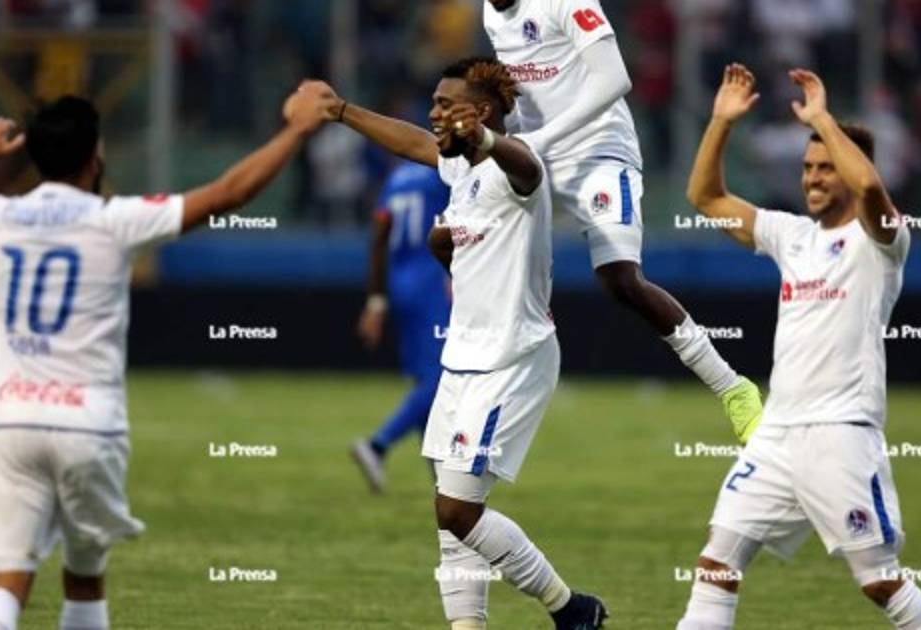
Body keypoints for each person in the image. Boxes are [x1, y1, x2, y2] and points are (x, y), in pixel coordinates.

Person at [0, 89, 325, 630]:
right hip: (89, 427)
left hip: (11, 421)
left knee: (6, 582)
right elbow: (227, 194)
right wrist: (297, 131)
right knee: (85, 579)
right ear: (94, 157)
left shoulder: (0, 216)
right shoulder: (115, 220)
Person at [299, 57, 607, 629]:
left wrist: (485, 139)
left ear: (481, 112)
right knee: (452, 518)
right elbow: (413, 142)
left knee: (457, 510)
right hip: (463, 356)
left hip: (511, 358)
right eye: (435, 102)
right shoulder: (458, 170)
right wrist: (340, 111)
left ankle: (571, 609)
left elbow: (526, 166)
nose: (434, 112)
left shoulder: (515, 167)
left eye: (446, 104)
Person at [676, 63, 921, 629]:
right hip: (777, 433)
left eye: (826, 168)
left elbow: (869, 188)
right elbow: (704, 196)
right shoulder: (790, 235)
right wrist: (721, 121)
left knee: (879, 581)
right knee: (717, 564)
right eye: (807, 168)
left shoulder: (882, 241)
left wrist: (822, 118)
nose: (813, 179)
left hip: (841, 432)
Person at [482, 0, 762, 442]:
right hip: (534, 154)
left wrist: (540, 139)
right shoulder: (490, 12)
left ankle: (734, 388)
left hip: (597, 152)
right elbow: (520, 91)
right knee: (486, 257)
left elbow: (615, 78)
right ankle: (488, 391)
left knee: (621, 280)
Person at [350, 160, 452, 493]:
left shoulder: (397, 178)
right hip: (433, 280)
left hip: (399, 281)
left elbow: (379, 235)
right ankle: (378, 445)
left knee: (425, 378)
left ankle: (440, 473)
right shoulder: (442, 173)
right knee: (442, 376)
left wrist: (376, 300)